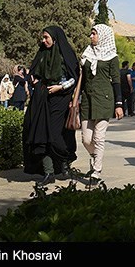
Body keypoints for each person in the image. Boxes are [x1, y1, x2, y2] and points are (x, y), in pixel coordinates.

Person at [23, 25, 80, 186]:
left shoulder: (65, 54)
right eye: (43, 37)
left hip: (61, 98)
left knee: (54, 135)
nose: (43, 41)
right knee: (41, 135)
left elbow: (74, 77)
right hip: (42, 98)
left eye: (46, 38)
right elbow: (34, 71)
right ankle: (48, 172)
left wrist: (60, 87)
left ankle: (64, 160)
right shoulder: (42, 53)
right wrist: (34, 79)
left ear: (55, 39)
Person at [78, 23, 123, 180]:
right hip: (87, 100)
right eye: (91, 34)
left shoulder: (112, 57)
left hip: (104, 99)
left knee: (98, 137)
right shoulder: (87, 54)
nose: (91, 36)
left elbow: (116, 81)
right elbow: (82, 79)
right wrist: (76, 98)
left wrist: (119, 104)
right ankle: (96, 157)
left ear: (103, 36)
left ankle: (97, 170)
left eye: (94, 34)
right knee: (86, 139)